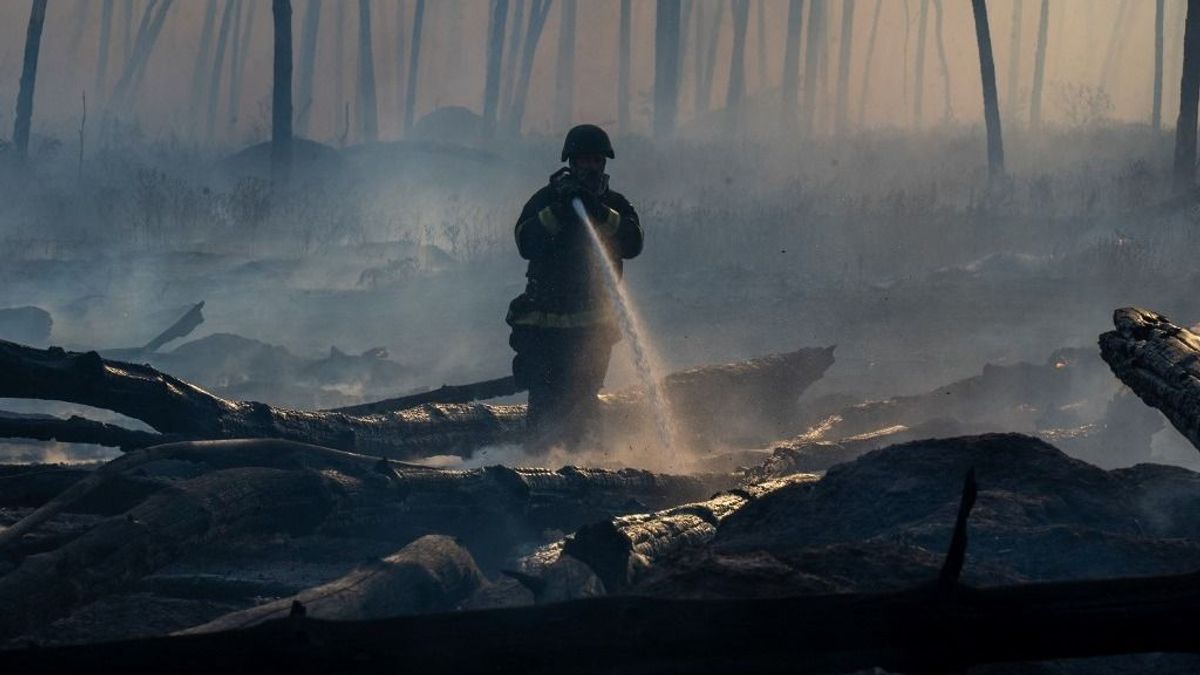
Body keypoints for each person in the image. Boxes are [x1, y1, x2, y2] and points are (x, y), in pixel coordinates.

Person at [506, 124, 643, 450]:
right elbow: (524, 242)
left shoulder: (615, 204)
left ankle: (585, 468)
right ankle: (536, 465)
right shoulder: (546, 200)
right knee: (545, 398)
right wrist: (559, 211)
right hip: (545, 327)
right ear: (571, 162)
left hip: (592, 327)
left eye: (597, 160)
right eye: (585, 161)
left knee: (584, 398)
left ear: (605, 163)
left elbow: (633, 243)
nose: (591, 167)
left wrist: (597, 211)